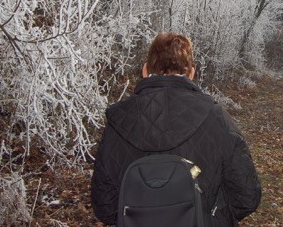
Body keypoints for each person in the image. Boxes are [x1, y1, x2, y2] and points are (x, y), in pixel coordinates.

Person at [91, 32, 261, 226]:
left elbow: (104, 207)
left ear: (146, 70)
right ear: (191, 73)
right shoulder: (216, 117)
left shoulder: (118, 121)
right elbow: (247, 197)